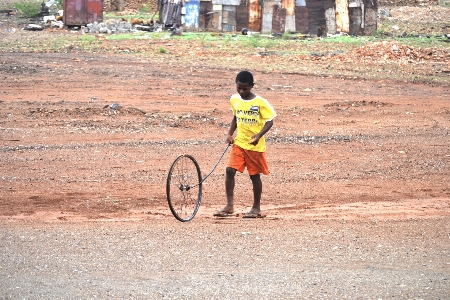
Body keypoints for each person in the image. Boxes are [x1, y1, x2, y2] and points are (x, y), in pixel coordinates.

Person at [214, 70, 276, 218]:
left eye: (245, 88)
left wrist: (259, 135)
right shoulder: (234, 100)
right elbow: (235, 117)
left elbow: (270, 121)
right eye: (239, 88)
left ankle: (256, 207)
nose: (241, 91)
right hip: (240, 143)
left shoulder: (260, 102)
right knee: (229, 171)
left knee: (254, 176)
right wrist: (229, 134)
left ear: (252, 86)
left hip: (254, 145)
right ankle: (229, 205)